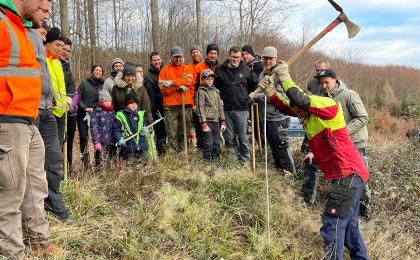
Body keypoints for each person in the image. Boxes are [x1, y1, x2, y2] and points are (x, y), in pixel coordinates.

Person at [259, 61, 369, 259]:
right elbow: (289, 107)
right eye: (298, 114)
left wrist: (284, 76)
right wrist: (271, 93)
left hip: (348, 172)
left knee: (333, 221)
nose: (299, 117)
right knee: (350, 226)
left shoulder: (328, 105)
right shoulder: (307, 116)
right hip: (348, 173)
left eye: (301, 112)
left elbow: (298, 98)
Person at [0, 0, 64, 257]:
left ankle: (38, 242)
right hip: (7, 120)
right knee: (10, 191)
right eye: (43, 7)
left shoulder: (23, 29)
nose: (46, 13)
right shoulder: (3, 23)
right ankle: (11, 251)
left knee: (36, 186)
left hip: (30, 119)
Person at [29, 5, 69, 223]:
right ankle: (33, 209)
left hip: (49, 111)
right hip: (30, 112)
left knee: (54, 158)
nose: (60, 48)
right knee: (33, 162)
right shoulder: (32, 52)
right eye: (43, 34)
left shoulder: (54, 62)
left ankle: (54, 201)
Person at [318, 69, 371, 220]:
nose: (324, 86)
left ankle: (363, 213)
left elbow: (362, 117)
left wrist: (343, 132)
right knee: (341, 178)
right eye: (321, 83)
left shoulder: (349, 95)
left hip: (355, 143)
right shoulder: (323, 98)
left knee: (359, 179)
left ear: (335, 80)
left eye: (326, 82)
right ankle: (344, 210)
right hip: (337, 146)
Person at [254, 47, 295, 173]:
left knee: (282, 146)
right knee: (273, 147)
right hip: (267, 117)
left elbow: (279, 96)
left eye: (270, 59)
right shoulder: (262, 74)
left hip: (279, 118)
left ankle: (290, 173)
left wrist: (258, 97)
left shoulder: (280, 74)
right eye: (265, 58)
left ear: (275, 59)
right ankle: (280, 172)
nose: (267, 61)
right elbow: (261, 91)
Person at [214, 45, 258, 162]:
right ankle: (233, 161)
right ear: (229, 55)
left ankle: (246, 161)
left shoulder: (247, 70)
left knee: (243, 138)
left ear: (241, 57)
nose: (236, 59)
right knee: (230, 137)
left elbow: (255, 87)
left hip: (242, 109)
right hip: (225, 109)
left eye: (238, 57)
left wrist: (251, 97)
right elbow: (214, 88)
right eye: (233, 57)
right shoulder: (220, 70)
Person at [158, 46, 195, 151]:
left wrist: (172, 83)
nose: (178, 59)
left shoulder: (188, 68)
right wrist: (178, 86)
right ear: (171, 57)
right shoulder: (164, 70)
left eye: (180, 57)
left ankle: (184, 152)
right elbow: (163, 89)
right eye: (175, 57)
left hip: (185, 104)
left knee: (185, 131)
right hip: (170, 107)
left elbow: (189, 81)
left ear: (183, 57)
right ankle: (173, 155)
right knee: (172, 132)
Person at [44, 27, 69, 150]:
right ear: (47, 43)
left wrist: (65, 102)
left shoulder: (58, 63)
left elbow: (62, 88)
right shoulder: (42, 60)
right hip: (49, 111)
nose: (60, 49)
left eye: (62, 46)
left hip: (61, 112)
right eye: (57, 45)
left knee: (58, 149)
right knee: (49, 150)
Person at [193, 43, 220, 149]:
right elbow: (194, 86)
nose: (213, 55)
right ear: (207, 54)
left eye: (215, 53)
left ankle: (215, 148)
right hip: (201, 100)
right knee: (201, 124)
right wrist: (194, 103)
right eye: (211, 53)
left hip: (214, 101)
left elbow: (219, 86)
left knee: (214, 127)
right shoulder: (198, 67)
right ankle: (201, 148)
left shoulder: (219, 68)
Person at [77, 65, 105, 170]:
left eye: (100, 70)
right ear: (92, 72)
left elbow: (105, 99)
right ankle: (86, 163)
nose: (98, 72)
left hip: (98, 115)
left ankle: (98, 162)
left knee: (98, 138)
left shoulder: (103, 85)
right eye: (96, 70)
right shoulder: (84, 83)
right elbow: (78, 98)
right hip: (83, 115)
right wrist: (85, 108)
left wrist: (99, 109)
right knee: (84, 137)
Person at [197, 69, 226, 163]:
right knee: (208, 142)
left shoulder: (216, 91)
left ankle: (216, 160)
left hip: (216, 120)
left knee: (217, 142)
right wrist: (204, 123)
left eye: (211, 79)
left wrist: (223, 121)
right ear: (203, 79)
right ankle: (206, 161)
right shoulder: (201, 91)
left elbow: (220, 107)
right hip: (208, 121)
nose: (210, 80)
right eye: (207, 79)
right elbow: (200, 108)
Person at [113, 92, 149, 162]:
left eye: (135, 104)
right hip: (129, 146)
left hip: (142, 145)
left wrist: (147, 130)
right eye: (131, 103)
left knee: (144, 164)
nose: (134, 105)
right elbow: (116, 129)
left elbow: (146, 125)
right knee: (131, 165)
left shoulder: (140, 114)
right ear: (127, 104)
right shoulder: (121, 115)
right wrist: (119, 138)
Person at [59, 36, 77, 173]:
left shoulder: (66, 64)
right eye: (63, 49)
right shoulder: (52, 62)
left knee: (68, 141)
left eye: (68, 51)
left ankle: (68, 167)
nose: (65, 52)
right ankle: (59, 170)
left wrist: (69, 100)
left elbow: (71, 85)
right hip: (55, 108)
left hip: (68, 107)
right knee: (59, 142)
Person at [144, 51, 167, 154]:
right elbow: (149, 93)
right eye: (154, 60)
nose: (157, 62)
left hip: (169, 104)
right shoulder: (147, 75)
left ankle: (172, 148)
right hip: (156, 106)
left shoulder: (166, 70)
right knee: (159, 128)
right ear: (151, 61)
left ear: (161, 60)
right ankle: (161, 150)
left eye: (158, 59)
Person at [91, 90, 115, 170]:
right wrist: (96, 142)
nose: (108, 103)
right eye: (106, 101)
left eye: (110, 101)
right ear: (101, 101)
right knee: (100, 160)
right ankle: (99, 174)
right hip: (101, 142)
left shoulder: (112, 113)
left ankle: (109, 173)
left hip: (111, 141)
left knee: (110, 159)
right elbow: (94, 128)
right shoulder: (97, 113)